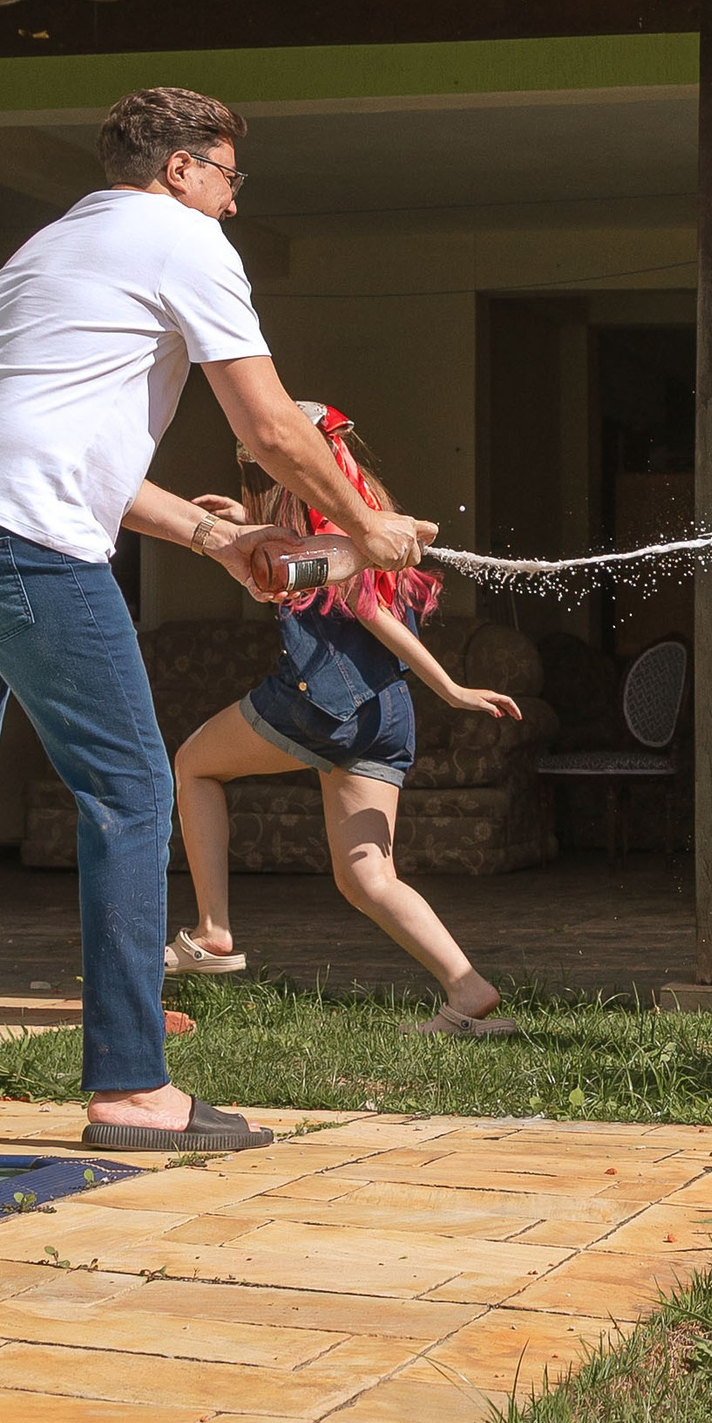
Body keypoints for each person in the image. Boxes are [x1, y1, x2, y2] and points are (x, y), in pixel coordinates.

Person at [0, 86, 434, 1150]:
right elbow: (271, 425)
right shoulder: (181, 238)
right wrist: (363, 524)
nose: (235, 206)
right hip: (17, 542)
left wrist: (222, 540)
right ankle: (129, 1087)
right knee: (130, 786)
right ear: (182, 169)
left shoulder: (52, 246)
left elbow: (68, 451)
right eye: (229, 179)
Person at [166, 403, 524, 1035]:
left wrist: (452, 687)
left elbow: (365, 609)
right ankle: (467, 991)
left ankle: (214, 930)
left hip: (324, 701)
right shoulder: (355, 521)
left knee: (194, 764)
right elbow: (315, 553)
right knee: (367, 877)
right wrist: (244, 524)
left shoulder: (340, 535)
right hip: (383, 711)